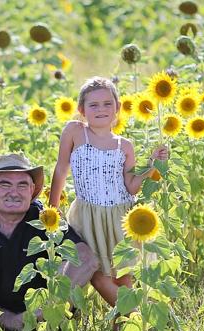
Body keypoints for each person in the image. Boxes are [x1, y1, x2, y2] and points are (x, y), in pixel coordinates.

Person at [48, 76, 169, 309]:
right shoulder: (75, 132)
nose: (101, 109)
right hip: (88, 217)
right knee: (97, 275)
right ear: (82, 109)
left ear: (118, 108)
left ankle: (127, 329)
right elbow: (61, 168)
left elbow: (131, 186)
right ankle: (136, 315)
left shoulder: (124, 145)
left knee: (122, 275)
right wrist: (53, 210)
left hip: (120, 217)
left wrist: (150, 166)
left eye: (107, 104)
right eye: (93, 105)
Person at [0, 153, 98, 331]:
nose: (14, 192)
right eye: (5, 184)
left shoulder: (47, 221)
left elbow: (87, 259)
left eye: (22, 185)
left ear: (32, 190)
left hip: (45, 322)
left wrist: (44, 310)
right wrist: (9, 320)